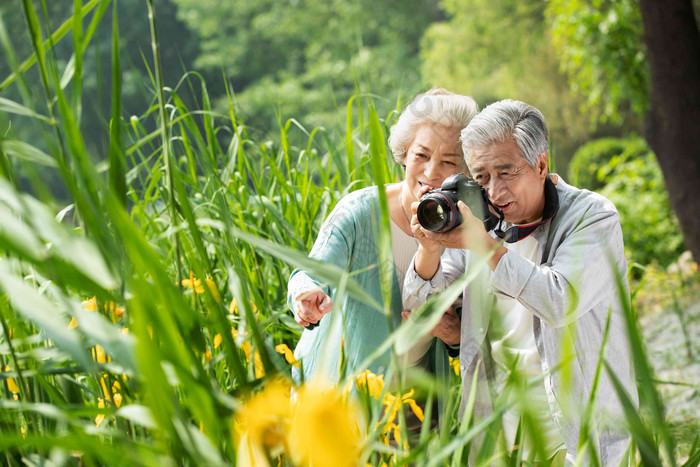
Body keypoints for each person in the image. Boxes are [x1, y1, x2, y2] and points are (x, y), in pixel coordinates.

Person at [403, 99, 637, 465]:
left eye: (506, 173)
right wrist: (429, 248)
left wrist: (483, 246)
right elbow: (420, 309)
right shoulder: (480, 222)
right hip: (499, 434)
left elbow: (560, 302)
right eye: (481, 177)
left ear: (541, 164)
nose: (494, 192)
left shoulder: (592, 218)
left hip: (578, 436)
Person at [287, 89, 478, 386]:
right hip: (340, 398)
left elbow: (470, 332)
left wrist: (455, 336)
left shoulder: (467, 227)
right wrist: (306, 295)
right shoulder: (359, 211)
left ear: (465, 170)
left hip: (418, 407)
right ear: (404, 154)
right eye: (421, 155)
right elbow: (313, 271)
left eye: (449, 162)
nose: (431, 171)